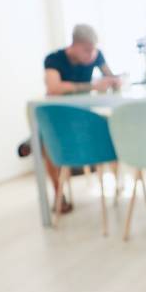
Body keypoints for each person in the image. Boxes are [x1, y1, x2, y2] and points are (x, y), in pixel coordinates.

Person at [41, 24, 121, 213]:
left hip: (85, 117)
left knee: (111, 127)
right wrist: (92, 86)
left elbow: (110, 77)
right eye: (86, 49)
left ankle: (117, 185)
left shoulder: (96, 56)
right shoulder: (54, 59)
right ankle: (59, 194)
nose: (91, 54)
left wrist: (115, 81)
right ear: (74, 45)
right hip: (59, 115)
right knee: (46, 141)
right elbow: (53, 87)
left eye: (93, 49)